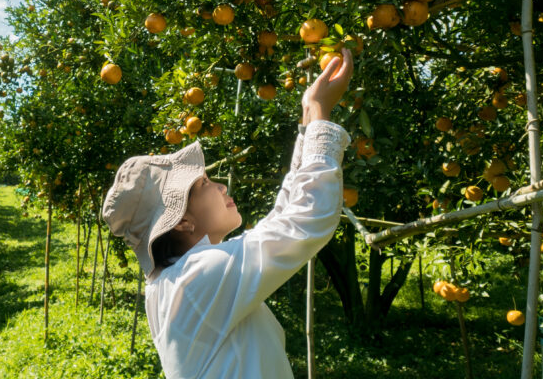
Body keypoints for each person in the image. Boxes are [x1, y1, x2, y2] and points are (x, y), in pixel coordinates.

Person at [101, 48, 354, 379]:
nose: (220, 187)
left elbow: (280, 221)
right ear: (181, 221)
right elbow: (306, 220)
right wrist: (320, 111)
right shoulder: (198, 277)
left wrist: (308, 124)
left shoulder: (179, 278)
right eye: (204, 183)